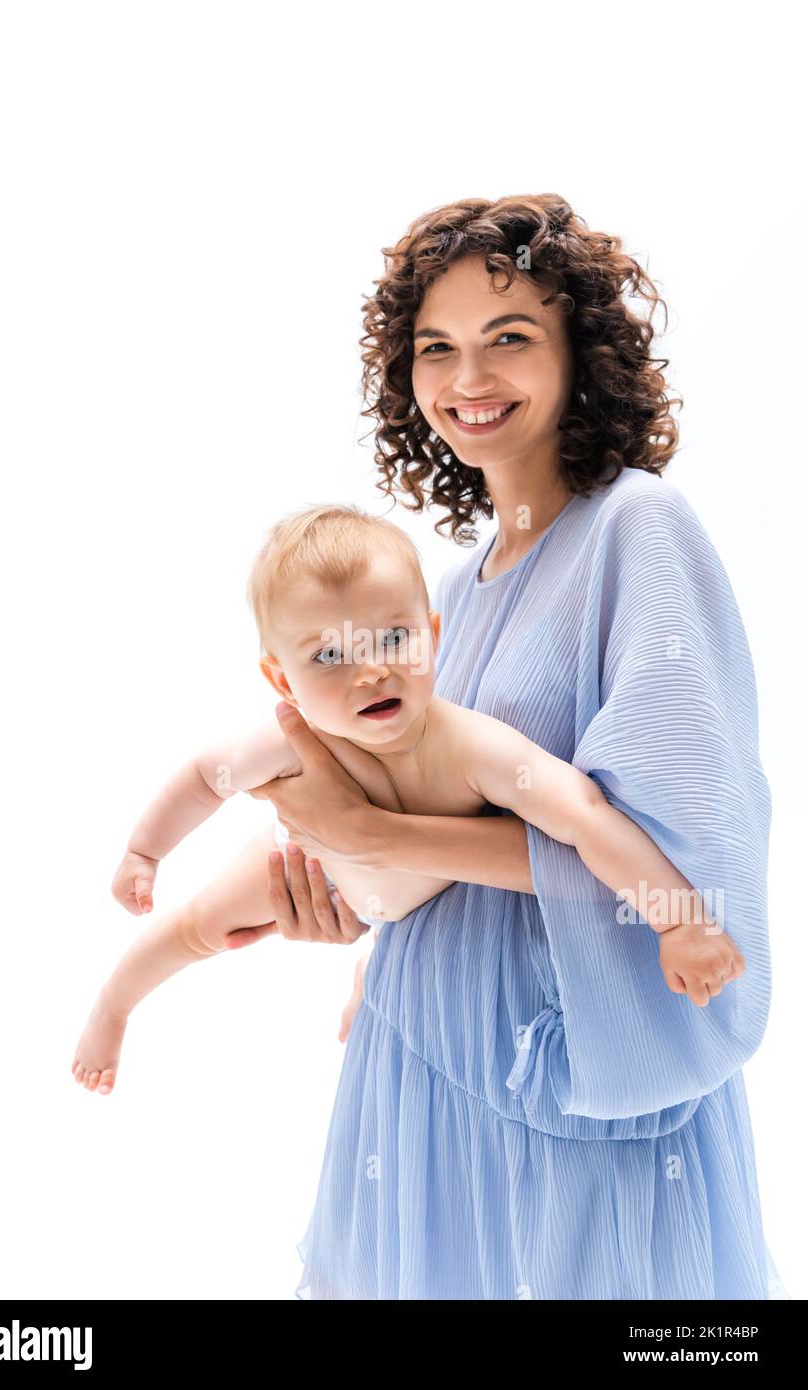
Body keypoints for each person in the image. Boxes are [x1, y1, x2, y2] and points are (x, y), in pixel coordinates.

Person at [244, 195, 788, 1299]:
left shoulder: (640, 530)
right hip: (420, 1067)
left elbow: (677, 862)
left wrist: (371, 828)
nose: (467, 379)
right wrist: (357, 893)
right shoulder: (451, 593)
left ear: (581, 355)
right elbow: (454, 838)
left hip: (565, 1084)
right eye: (435, 348)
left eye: (509, 339)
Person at [71, 504, 739, 1095]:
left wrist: (678, 920)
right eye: (328, 655)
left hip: (417, 916)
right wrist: (143, 852)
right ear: (281, 677)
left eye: (393, 637)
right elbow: (202, 777)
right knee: (197, 927)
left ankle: (377, 989)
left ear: (433, 634)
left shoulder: (472, 749)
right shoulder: (287, 742)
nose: (371, 670)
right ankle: (114, 1004)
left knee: (424, 941)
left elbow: (586, 817)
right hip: (305, 866)